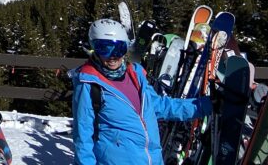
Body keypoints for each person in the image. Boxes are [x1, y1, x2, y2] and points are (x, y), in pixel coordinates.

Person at [72, 18, 211, 165]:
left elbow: (160, 106)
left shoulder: (136, 74)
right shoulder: (89, 84)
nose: (113, 56)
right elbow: (83, 137)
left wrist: (205, 105)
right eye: (104, 49)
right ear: (94, 48)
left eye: (119, 49)